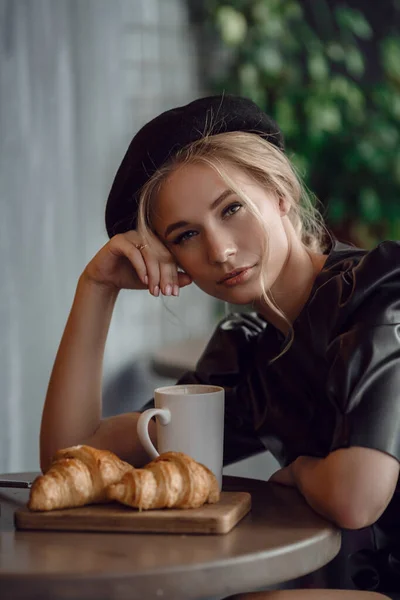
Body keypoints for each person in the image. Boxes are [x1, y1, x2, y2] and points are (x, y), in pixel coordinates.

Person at [39, 95, 400, 600]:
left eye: (231, 208)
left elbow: (356, 497)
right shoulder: (248, 355)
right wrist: (96, 288)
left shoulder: (380, 292)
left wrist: (299, 471)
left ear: (279, 192)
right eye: (187, 235)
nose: (219, 250)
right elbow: (70, 457)